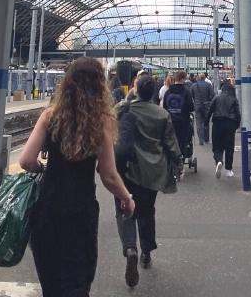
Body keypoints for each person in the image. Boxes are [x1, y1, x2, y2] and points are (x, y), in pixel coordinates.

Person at [20, 57, 135, 297]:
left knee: (51, 285)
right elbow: (108, 175)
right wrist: (127, 198)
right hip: (80, 211)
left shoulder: (49, 116)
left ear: (68, 83)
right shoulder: (101, 122)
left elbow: (26, 160)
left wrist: (43, 170)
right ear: (99, 86)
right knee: (77, 282)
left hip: (46, 208)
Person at [114, 73, 182, 285]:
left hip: (127, 169)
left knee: (125, 211)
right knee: (146, 211)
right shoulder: (162, 114)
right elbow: (171, 144)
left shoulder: (124, 108)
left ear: (136, 89)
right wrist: (178, 164)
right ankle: (146, 253)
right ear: (153, 92)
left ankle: (130, 247)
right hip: (153, 171)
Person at [207, 82, 241, 178]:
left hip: (217, 123)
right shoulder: (234, 99)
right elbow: (238, 114)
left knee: (217, 146)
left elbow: (210, 110)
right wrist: (237, 125)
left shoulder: (217, 98)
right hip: (230, 124)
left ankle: (219, 161)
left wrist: (206, 123)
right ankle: (229, 170)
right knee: (229, 147)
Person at [163, 70, 194, 160]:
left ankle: (171, 161)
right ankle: (181, 161)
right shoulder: (186, 92)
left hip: (170, 121)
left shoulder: (168, 92)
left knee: (171, 141)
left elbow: (165, 107)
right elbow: (191, 107)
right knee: (182, 142)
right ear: (182, 79)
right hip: (183, 122)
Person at [191, 72, 214, 145]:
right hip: (206, 105)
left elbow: (191, 95)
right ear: (204, 78)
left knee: (198, 123)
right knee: (206, 122)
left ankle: (200, 140)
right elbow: (212, 95)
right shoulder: (208, 85)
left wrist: (196, 100)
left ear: (198, 78)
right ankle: (206, 139)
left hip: (197, 105)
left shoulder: (194, 85)